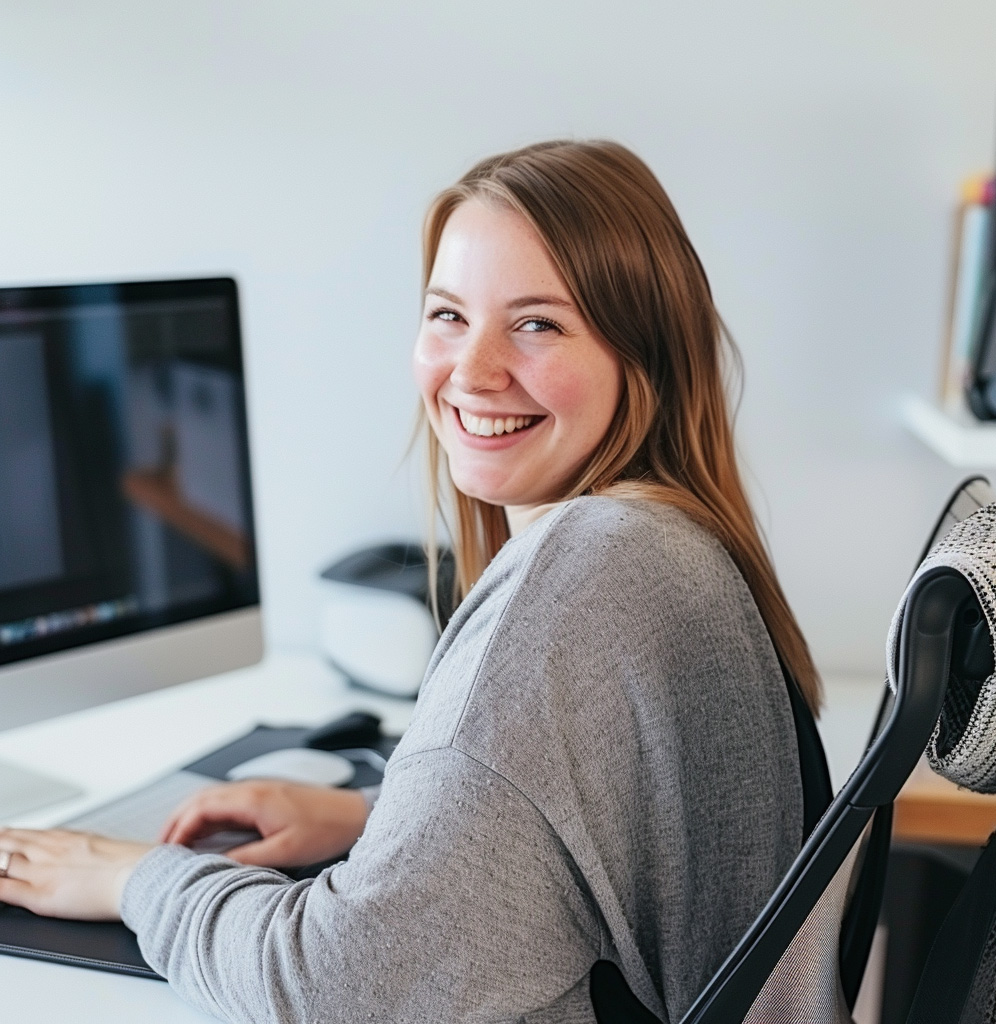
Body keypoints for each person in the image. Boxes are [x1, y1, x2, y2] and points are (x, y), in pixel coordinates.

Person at [0, 140, 820, 1023]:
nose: (471, 372)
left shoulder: (594, 568)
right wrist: (377, 815)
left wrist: (134, 876)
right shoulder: (665, 538)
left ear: (643, 353)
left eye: (537, 323)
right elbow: (594, 833)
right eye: (448, 315)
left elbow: (345, 986)